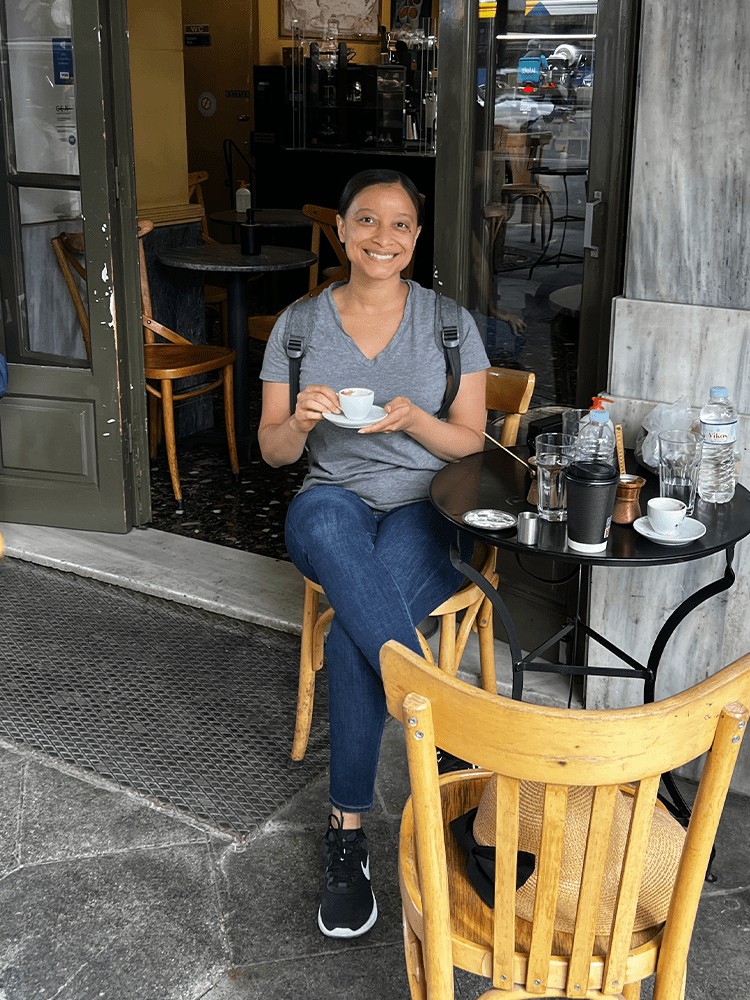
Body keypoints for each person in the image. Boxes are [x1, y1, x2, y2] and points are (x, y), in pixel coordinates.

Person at [258, 169, 489, 939]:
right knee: (324, 525)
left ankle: (346, 835)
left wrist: (416, 420)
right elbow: (272, 454)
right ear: (343, 231)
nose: (381, 237)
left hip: (427, 506)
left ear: (415, 239)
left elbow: (470, 442)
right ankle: (454, 739)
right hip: (333, 501)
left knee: (362, 633)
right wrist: (297, 418)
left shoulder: (450, 324)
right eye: (366, 221)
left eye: (399, 225)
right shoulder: (297, 326)